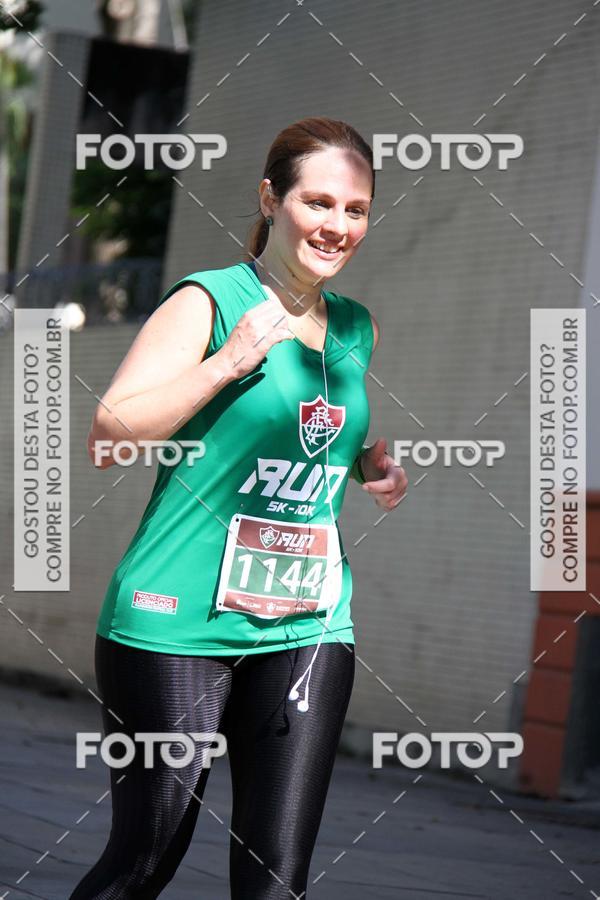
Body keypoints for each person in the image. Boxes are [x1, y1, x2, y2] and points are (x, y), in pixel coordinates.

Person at [70, 116, 408, 899]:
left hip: (309, 622)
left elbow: (311, 430)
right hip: (174, 619)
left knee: (276, 876)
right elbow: (110, 434)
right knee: (144, 858)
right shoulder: (209, 300)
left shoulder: (355, 329)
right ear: (270, 197)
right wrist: (227, 363)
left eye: (355, 210)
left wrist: (369, 465)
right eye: (318, 202)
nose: (337, 226)